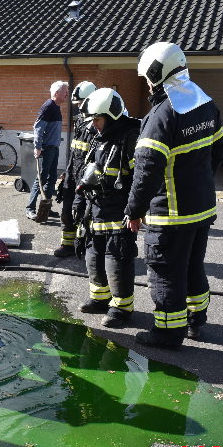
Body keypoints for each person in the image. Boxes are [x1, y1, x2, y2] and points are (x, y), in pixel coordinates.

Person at [124, 42, 223, 348]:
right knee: (193, 266)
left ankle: (168, 332)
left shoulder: (163, 114)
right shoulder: (205, 103)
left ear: (157, 73)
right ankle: (196, 321)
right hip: (201, 208)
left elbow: (146, 169)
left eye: (147, 78)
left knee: (165, 271)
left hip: (170, 213)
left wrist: (134, 209)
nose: (147, 83)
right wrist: (200, 182)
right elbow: (219, 151)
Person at [74, 88, 141, 328]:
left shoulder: (130, 138)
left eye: (98, 119)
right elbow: (85, 173)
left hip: (118, 212)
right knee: (93, 255)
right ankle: (100, 299)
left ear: (112, 115)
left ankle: (122, 308)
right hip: (95, 209)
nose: (94, 125)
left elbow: (139, 178)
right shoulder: (98, 138)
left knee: (117, 259)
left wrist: (135, 210)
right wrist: (78, 202)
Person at [54, 81, 97, 257]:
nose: (79, 108)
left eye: (81, 104)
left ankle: (86, 244)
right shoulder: (79, 121)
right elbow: (74, 152)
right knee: (66, 211)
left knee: (83, 212)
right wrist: (66, 173)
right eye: (77, 104)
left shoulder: (96, 124)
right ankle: (67, 244)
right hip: (73, 174)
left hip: (86, 178)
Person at [26, 80, 69, 221]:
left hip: (54, 148)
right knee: (41, 179)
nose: (67, 94)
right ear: (56, 93)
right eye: (65, 91)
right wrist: (37, 147)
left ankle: (46, 208)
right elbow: (38, 128)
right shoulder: (48, 107)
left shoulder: (56, 107)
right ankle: (30, 209)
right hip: (46, 150)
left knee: (51, 180)